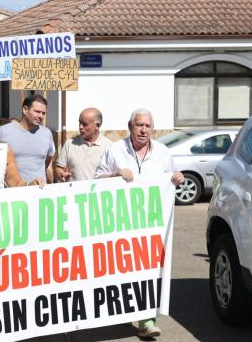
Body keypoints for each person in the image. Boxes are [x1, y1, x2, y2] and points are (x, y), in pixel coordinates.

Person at [95, 108, 184, 338]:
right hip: (120, 223)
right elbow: (96, 180)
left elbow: (172, 176)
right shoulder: (115, 150)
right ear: (130, 126)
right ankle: (125, 312)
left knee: (149, 270)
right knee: (124, 270)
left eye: (147, 126)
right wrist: (115, 176)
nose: (143, 130)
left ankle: (146, 321)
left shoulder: (163, 152)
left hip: (152, 224)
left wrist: (177, 178)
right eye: (139, 125)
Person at [0, 94, 55, 183]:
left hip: (40, 191)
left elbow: (48, 162)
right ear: (25, 110)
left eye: (43, 113)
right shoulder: (4, 131)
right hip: (13, 191)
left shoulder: (47, 133)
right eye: (37, 111)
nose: (40, 116)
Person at [55, 107, 113, 182]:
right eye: (79, 123)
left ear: (97, 126)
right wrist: (61, 174)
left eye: (85, 124)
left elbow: (114, 175)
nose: (80, 127)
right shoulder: (70, 143)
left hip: (97, 193)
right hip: (74, 193)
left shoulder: (110, 147)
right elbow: (59, 168)